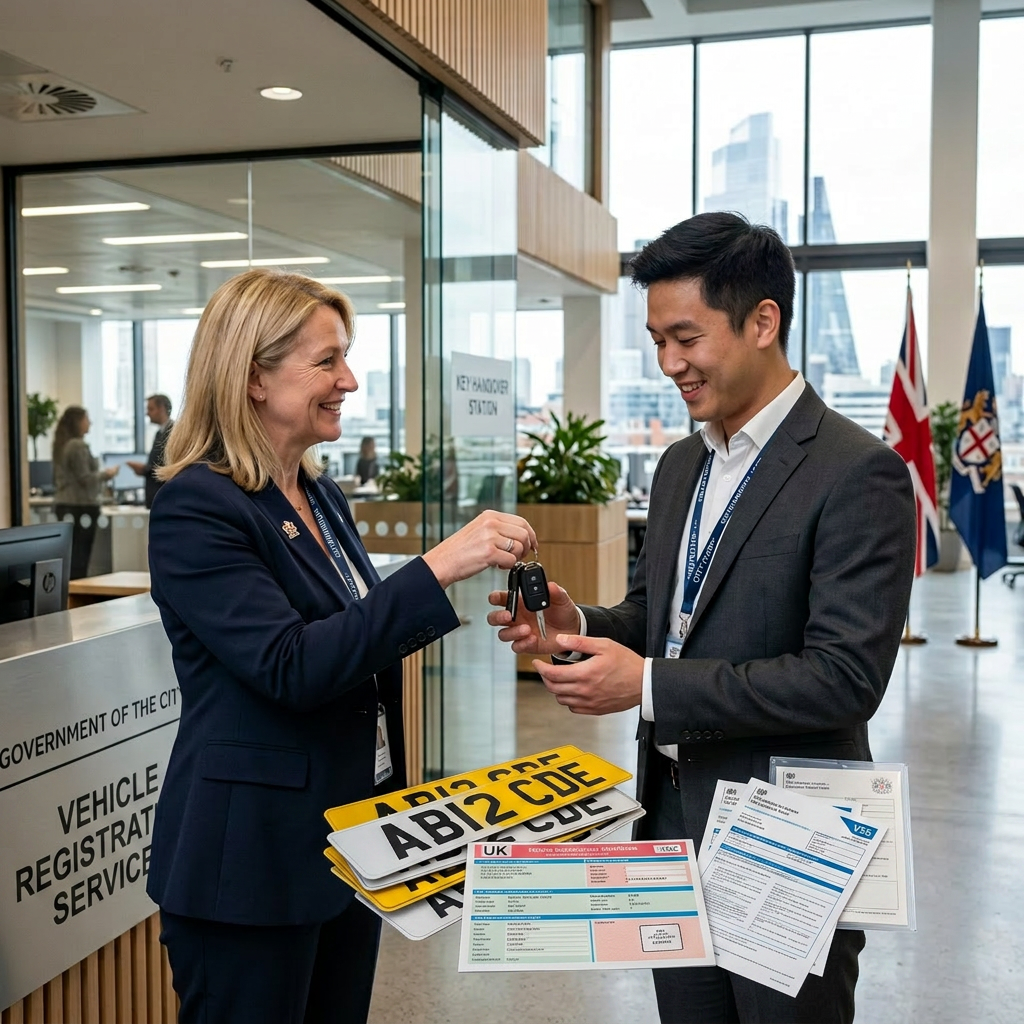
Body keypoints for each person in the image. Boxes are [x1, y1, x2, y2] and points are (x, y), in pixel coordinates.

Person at [489, 213, 916, 1024]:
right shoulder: (683, 461)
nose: (668, 364)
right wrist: (589, 625)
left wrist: (647, 685)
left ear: (763, 321)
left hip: (791, 831)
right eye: (655, 340)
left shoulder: (859, 473)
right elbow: (665, 613)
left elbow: (844, 678)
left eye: (685, 337)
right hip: (671, 814)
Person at [147, 269, 537, 1024]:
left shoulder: (319, 494)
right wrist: (436, 567)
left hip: (348, 844)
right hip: (251, 867)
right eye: (327, 361)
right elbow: (290, 665)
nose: (349, 380)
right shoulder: (198, 506)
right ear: (254, 376)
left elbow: (354, 644)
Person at [52, 406, 118, 578]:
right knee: (80, 559)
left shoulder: (63, 444)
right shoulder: (77, 445)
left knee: (72, 556)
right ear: (77, 422)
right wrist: (107, 474)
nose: (90, 422)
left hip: (67, 505)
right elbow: (85, 478)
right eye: (86, 418)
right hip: (80, 507)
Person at [127, 394, 174, 508]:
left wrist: (144, 469)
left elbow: (169, 466)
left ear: (162, 409)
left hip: (165, 498)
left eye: (151, 409)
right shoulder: (160, 433)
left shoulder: (173, 433)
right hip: (156, 497)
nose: (147, 413)